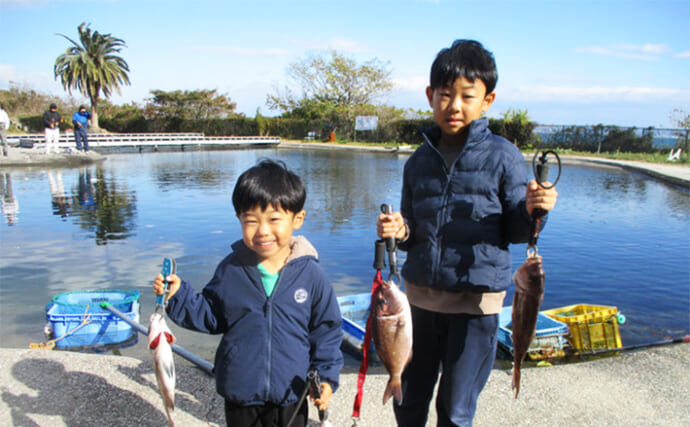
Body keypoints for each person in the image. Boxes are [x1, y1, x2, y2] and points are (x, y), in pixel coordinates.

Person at [376, 39, 558, 427]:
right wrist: (401, 229)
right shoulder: (418, 162)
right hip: (419, 304)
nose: (454, 106)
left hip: (476, 308)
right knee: (408, 403)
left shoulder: (504, 156)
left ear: (487, 100)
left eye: (466, 96)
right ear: (430, 96)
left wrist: (533, 209)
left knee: (456, 411)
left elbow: (514, 229)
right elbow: (413, 232)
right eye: (445, 95)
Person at [152, 159, 343, 427]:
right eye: (250, 220)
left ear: (297, 218)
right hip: (240, 389)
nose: (263, 231)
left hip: (292, 390)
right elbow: (210, 315)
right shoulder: (231, 269)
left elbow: (327, 331)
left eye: (274, 219)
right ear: (239, 219)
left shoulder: (312, 276)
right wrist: (178, 295)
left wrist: (325, 377)